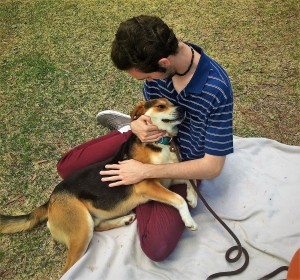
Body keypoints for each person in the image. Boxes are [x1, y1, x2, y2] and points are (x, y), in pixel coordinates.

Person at [57, 15, 234, 262]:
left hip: (181, 161)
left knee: (156, 247)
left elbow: (212, 167)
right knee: (67, 166)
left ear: (163, 63)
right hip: (146, 139)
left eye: (146, 77)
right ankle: (124, 125)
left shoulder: (216, 87)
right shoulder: (158, 64)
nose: (147, 83)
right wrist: (137, 125)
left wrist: (142, 172)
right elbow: (149, 108)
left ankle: (137, 187)